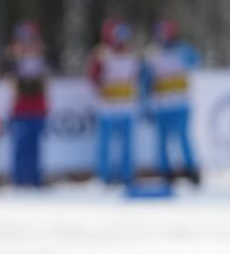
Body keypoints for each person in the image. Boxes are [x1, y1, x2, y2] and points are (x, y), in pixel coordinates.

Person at [142, 19, 200, 184]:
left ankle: (191, 169)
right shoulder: (151, 54)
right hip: (161, 105)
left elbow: (196, 60)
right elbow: (145, 80)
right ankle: (165, 171)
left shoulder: (182, 50)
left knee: (183, 137)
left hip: (180, 103)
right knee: (161, 140)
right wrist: (146, 103)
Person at [86, 17, 139, 186]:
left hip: (127, 105)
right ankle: (104, 176)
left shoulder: (130, 52)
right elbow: (92, 76)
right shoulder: (101, 53)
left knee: (127, 143)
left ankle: (127, 175)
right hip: (107, 106)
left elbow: (137, 75)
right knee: (105, 143)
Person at [7, 21, 50, 187]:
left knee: (35, 146)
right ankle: (19, 178)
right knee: (21, 145)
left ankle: (35, 178)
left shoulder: (43, 60)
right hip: (21, 109)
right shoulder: (14, 60)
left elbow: (46, 83)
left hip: (37, 108)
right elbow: (11, 82)